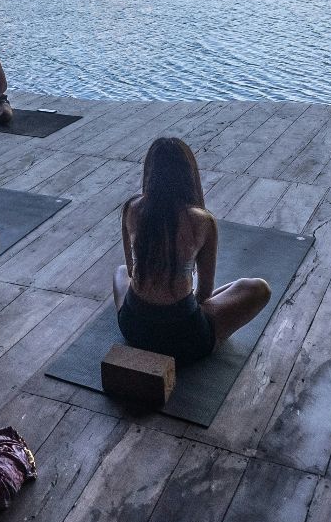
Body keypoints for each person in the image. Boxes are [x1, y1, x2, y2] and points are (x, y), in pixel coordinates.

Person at [113, 137, 272, 364]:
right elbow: (205, 293)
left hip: (134, 327)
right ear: (189, 175)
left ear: (150, 173)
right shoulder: (202, 221)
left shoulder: (132, 208)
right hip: (186, 338)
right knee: (258, 289)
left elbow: (130, 270)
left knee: (119, 272)